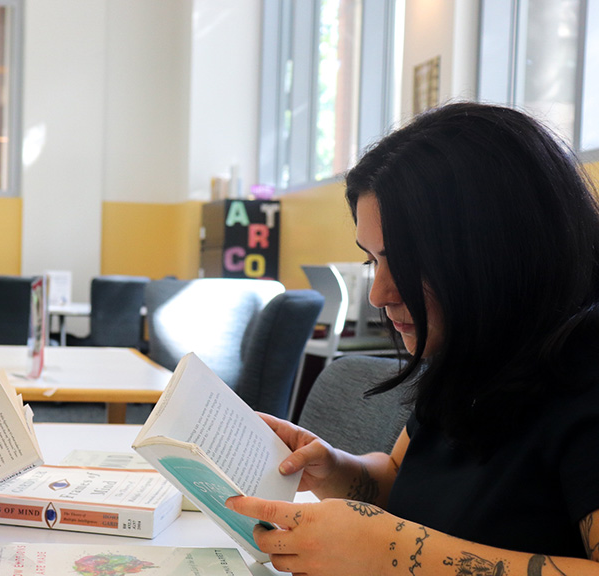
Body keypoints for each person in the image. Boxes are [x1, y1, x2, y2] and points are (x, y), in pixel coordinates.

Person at [226, 102, 599, 575]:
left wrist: (398, 555)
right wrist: (338, 469)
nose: (380, 294)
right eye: (372, 261)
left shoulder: (585, 375)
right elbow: (402, 480)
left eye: (405, 262)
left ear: (496, 252)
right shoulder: (472, 352)